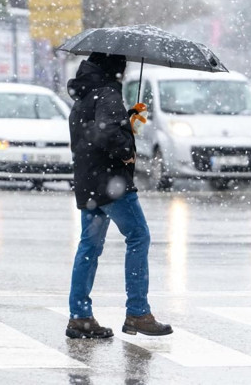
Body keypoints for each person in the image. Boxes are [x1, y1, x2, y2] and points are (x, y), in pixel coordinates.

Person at [65, 52, 171, 339]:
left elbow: (96, 131)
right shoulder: (108, 93)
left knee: (89, 247)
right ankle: (138, 312)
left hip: (89, 183)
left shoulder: (85, 94)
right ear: (114, 68)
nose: (123, 74)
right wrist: (126, 146)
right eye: (121, 67)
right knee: (139, 236)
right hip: (111, 183)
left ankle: (80, 316)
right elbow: (107, 134)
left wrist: (128, 120)